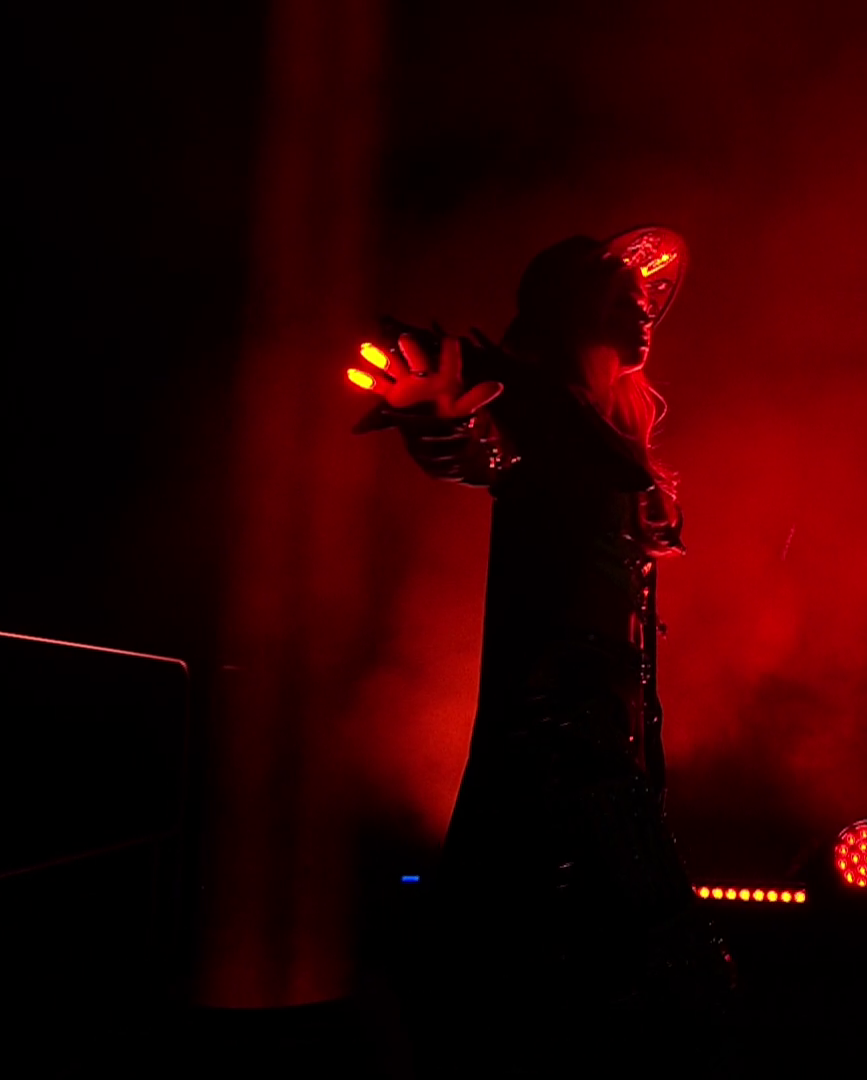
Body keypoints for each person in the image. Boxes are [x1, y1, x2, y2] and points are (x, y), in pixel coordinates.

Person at [353, 227, 735, 1070]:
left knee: (600, 982)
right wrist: (442, 420)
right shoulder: (536, 408)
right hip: (555, 751)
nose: (645, 314)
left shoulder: (596, 432)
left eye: (648, 304)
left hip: (607, 751)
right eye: (624, 299)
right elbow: (485, 447)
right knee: (627, 981)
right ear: (576, 307)